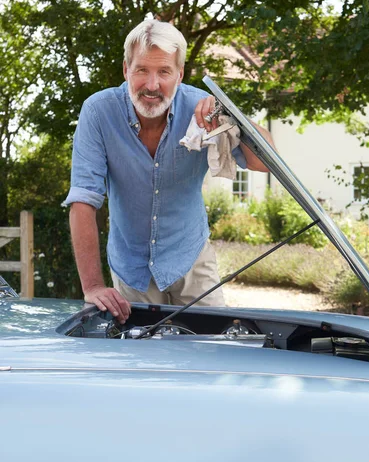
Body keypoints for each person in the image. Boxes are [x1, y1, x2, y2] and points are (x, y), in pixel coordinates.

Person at [64, 19, 273, 324]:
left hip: (191, 257)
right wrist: (93, 286)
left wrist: (232, 120)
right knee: (140, 363)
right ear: (126, 69)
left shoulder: (203, 109)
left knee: (211, 352)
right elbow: (83, 198)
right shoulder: (98, 111)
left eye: (163, 72)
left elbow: (265, 162)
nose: (152, 85)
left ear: (179, 74)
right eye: (141, 70)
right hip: (130, 268)